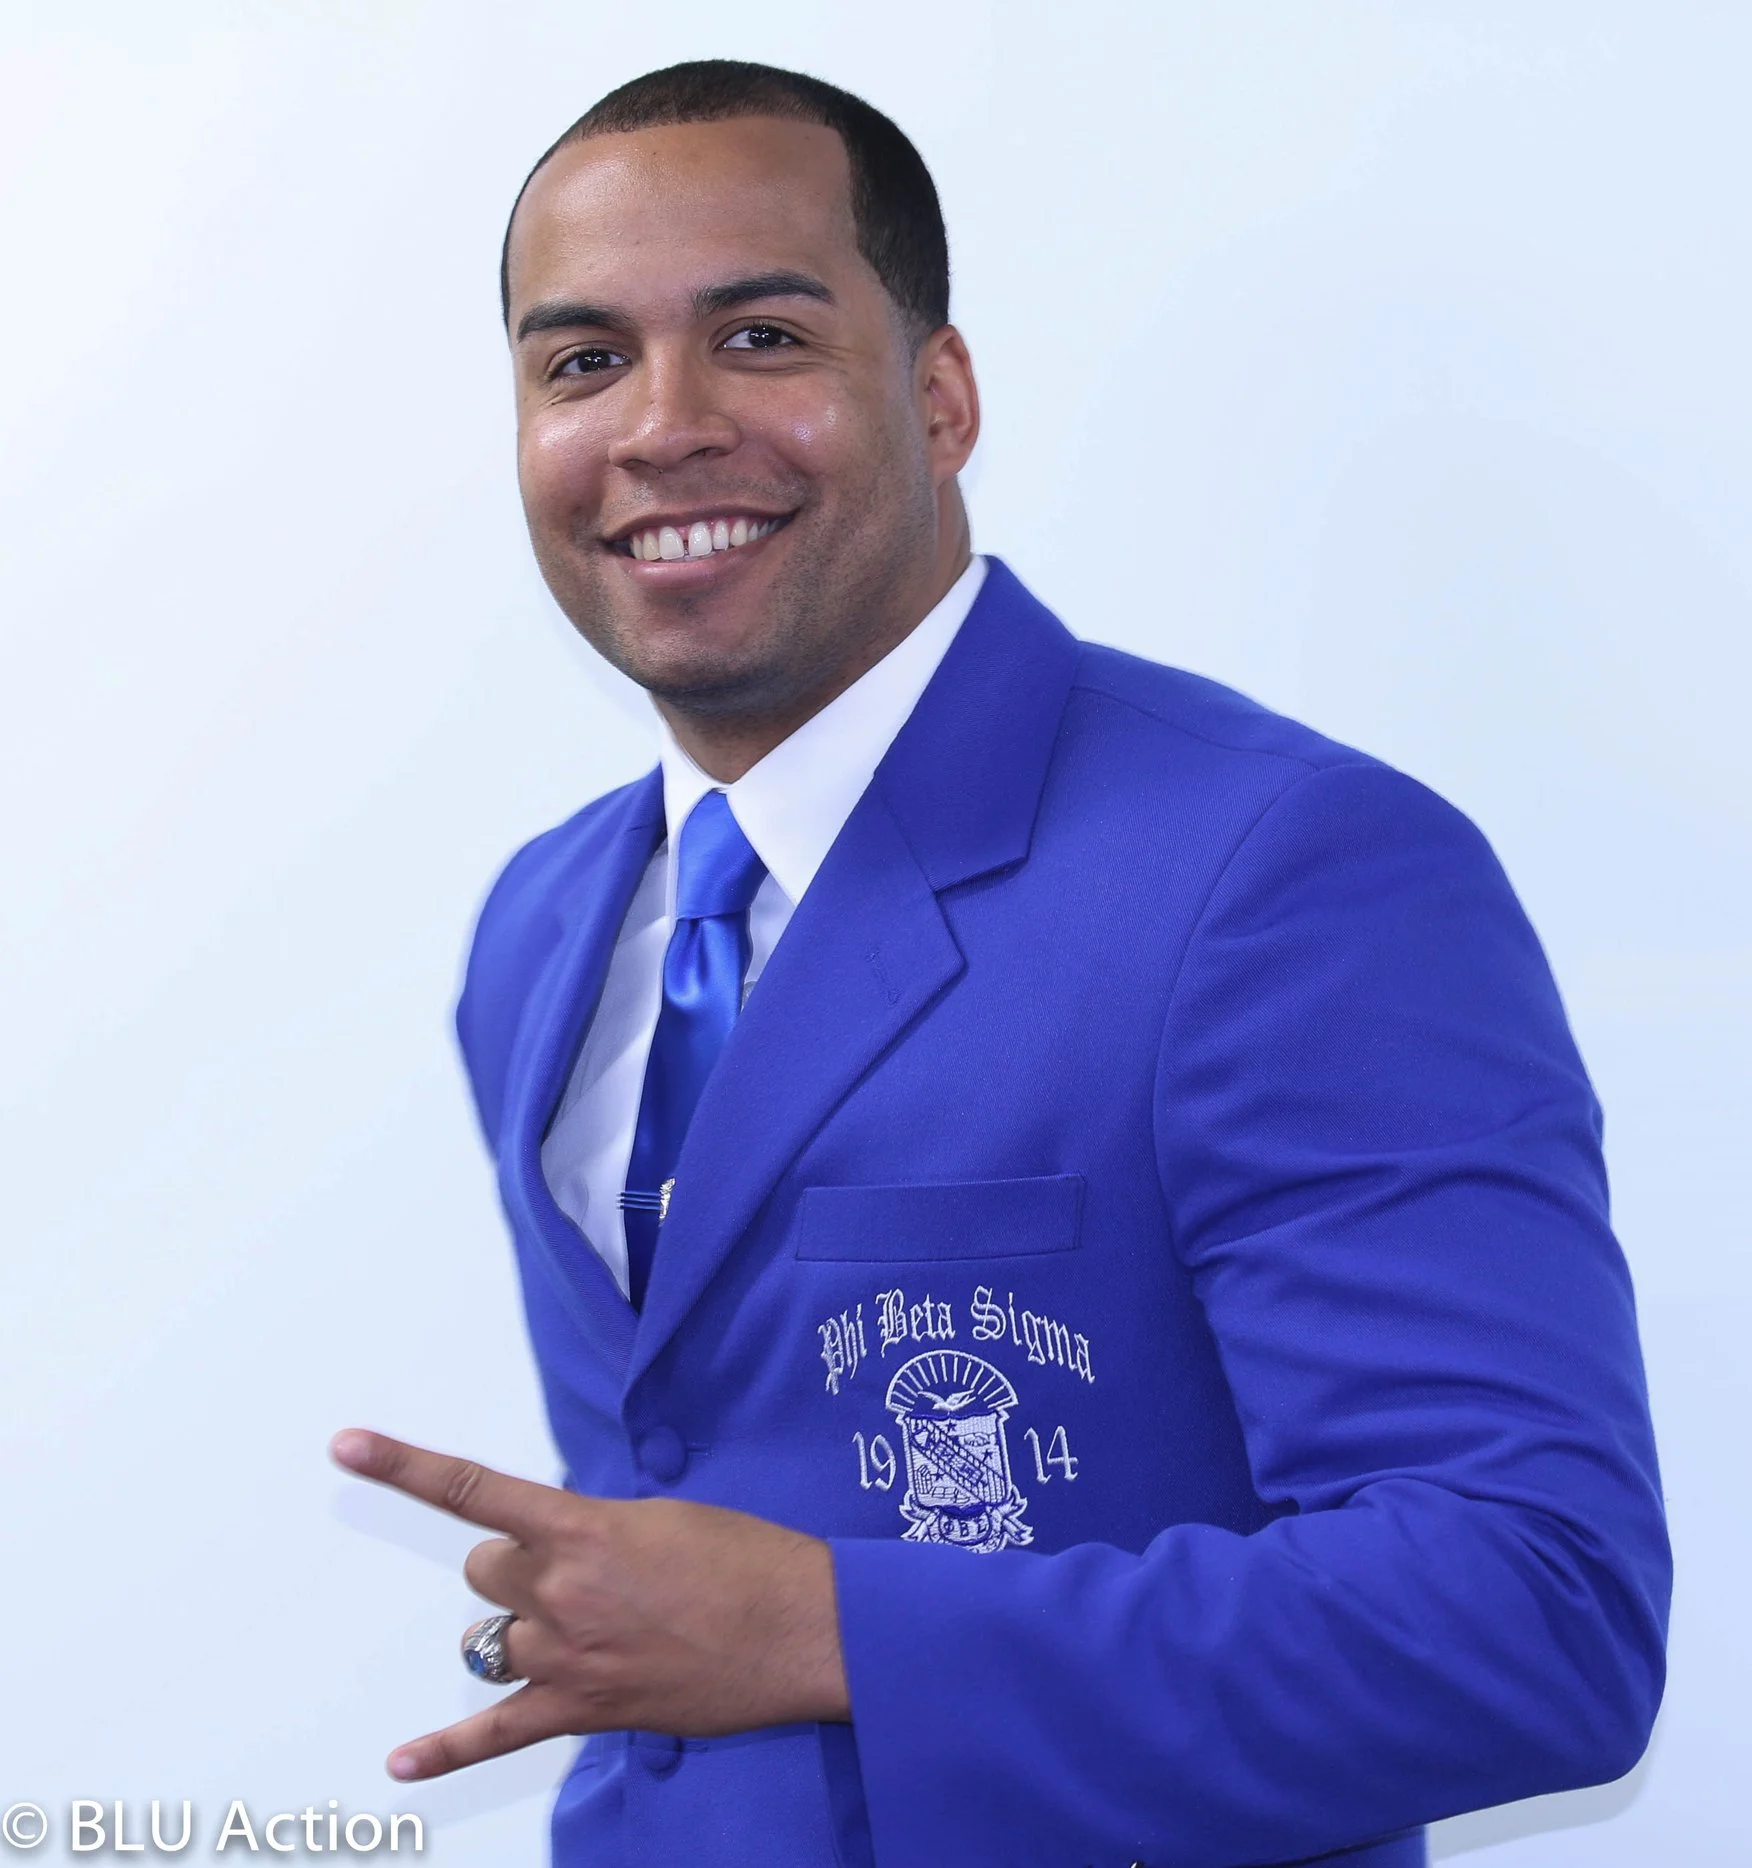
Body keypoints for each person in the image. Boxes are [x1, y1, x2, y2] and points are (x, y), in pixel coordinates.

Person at [332, 58, 1672, 1868]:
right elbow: (661, 1547)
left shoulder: (1282, 876)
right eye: (582, 362)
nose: (662, 425)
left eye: (762, 338)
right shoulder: (543, 930)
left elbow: (1532, 1614)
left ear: (940, 394)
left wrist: (826, 1630)